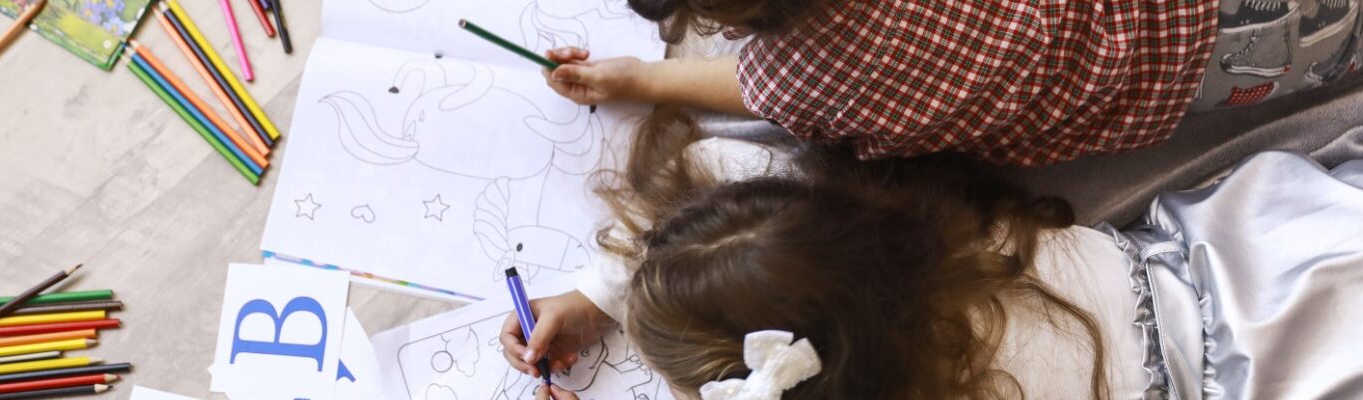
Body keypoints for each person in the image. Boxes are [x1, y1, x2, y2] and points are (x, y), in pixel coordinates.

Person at [498, 108, 1363, 398]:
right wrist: (602, 289)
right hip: (1248, 250)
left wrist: (603, 295)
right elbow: (725, 165)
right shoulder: (894, 222)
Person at [542, 0, 1363, 166]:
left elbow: (759, 90)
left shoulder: (799, 75)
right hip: (1204, 39)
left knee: (1333, 45)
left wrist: (650, 80)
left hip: (1195, 71)